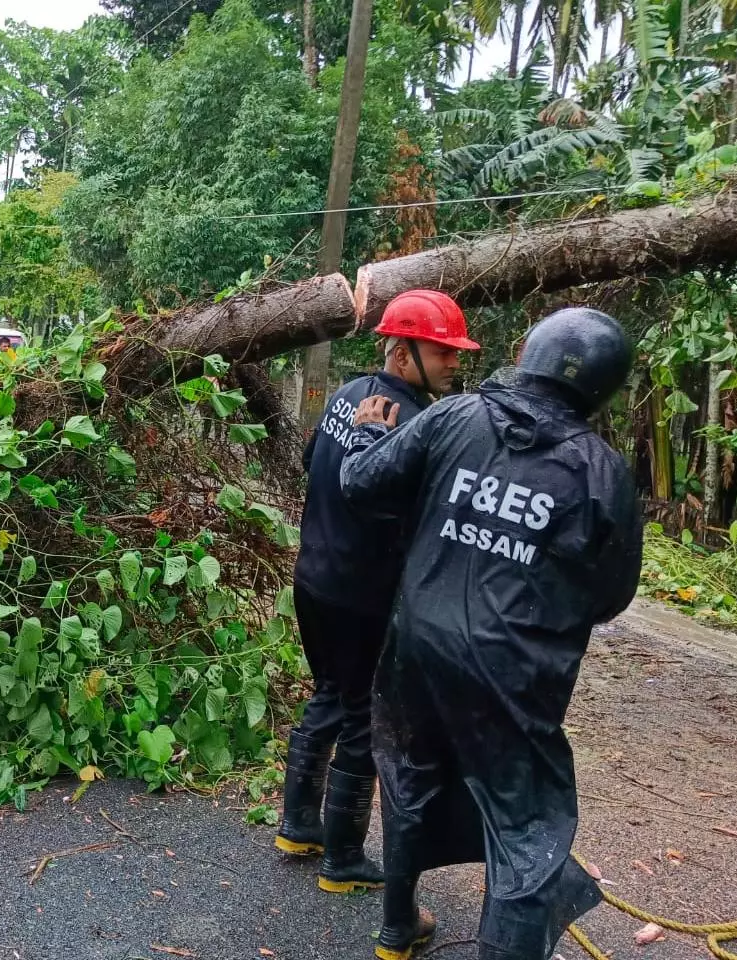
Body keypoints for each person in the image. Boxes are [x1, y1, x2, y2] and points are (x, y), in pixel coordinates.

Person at [339, 307, 643, 960]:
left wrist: (365, 437)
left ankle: (396, 927)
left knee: (408, 776)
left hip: (416, 647)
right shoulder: (599, 471)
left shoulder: (453, 417)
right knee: (524, 826)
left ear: (527, 352)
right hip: (512, 672)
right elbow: (610, 594)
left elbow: (361, 485)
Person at [275, 290, 480, 896]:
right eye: (441, 351)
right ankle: (342, 858)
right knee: (365, 715)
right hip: (363, 594)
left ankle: (298, 825)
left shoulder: (345, 396)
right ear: (401, 350)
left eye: (454, 351)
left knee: (331, 696)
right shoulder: (414, 425)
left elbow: (315, 461)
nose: (452, 363)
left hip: (315, 577)